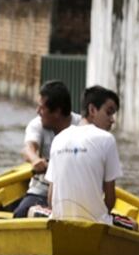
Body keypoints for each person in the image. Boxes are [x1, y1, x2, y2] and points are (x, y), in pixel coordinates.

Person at [44, 86, 122, 224]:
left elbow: (51, 198)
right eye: (109, 113)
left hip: (59, 222)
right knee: (134, 225)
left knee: (32, 210)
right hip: (96, 224)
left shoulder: (59, 138)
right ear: (92, 110)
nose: (112, 120)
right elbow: (110, 200)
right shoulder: (107, 139)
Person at [13, 80, 81, 218]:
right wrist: (36, 160)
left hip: (75, 192)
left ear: (57, 112)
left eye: (41, 108)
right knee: (20, 213)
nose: (38, 111)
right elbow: (28, 149)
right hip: (41, 190)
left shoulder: (81, 126)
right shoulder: (37, 124)